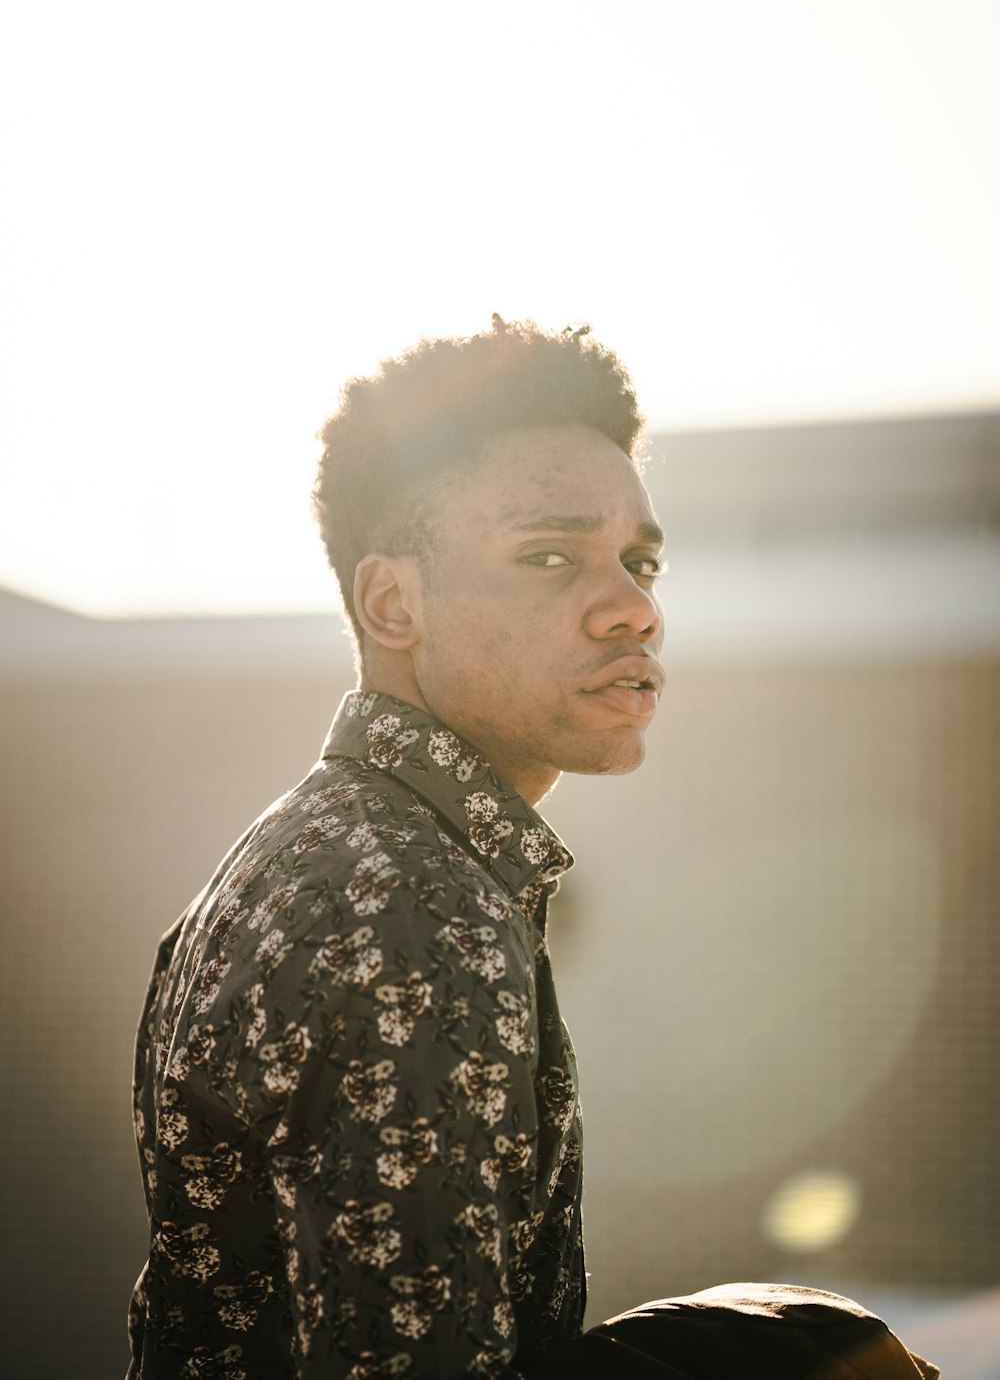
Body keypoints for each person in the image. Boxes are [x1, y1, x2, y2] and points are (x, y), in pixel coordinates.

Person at [126, 317, 937, 1379]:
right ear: (394, 602)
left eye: (639, 561)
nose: (632, 610)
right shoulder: (404, 904)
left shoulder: (313, 849)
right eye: (550, 556)